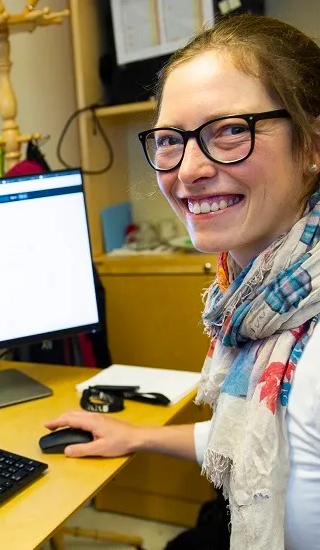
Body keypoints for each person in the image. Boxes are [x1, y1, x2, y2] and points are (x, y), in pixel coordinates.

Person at [45, 14, 320, 550]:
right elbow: (267, 434)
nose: (188, 170)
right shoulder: (258, 303)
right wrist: (138, 436)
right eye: (171, 139)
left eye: (231, 130)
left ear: (312, 144)